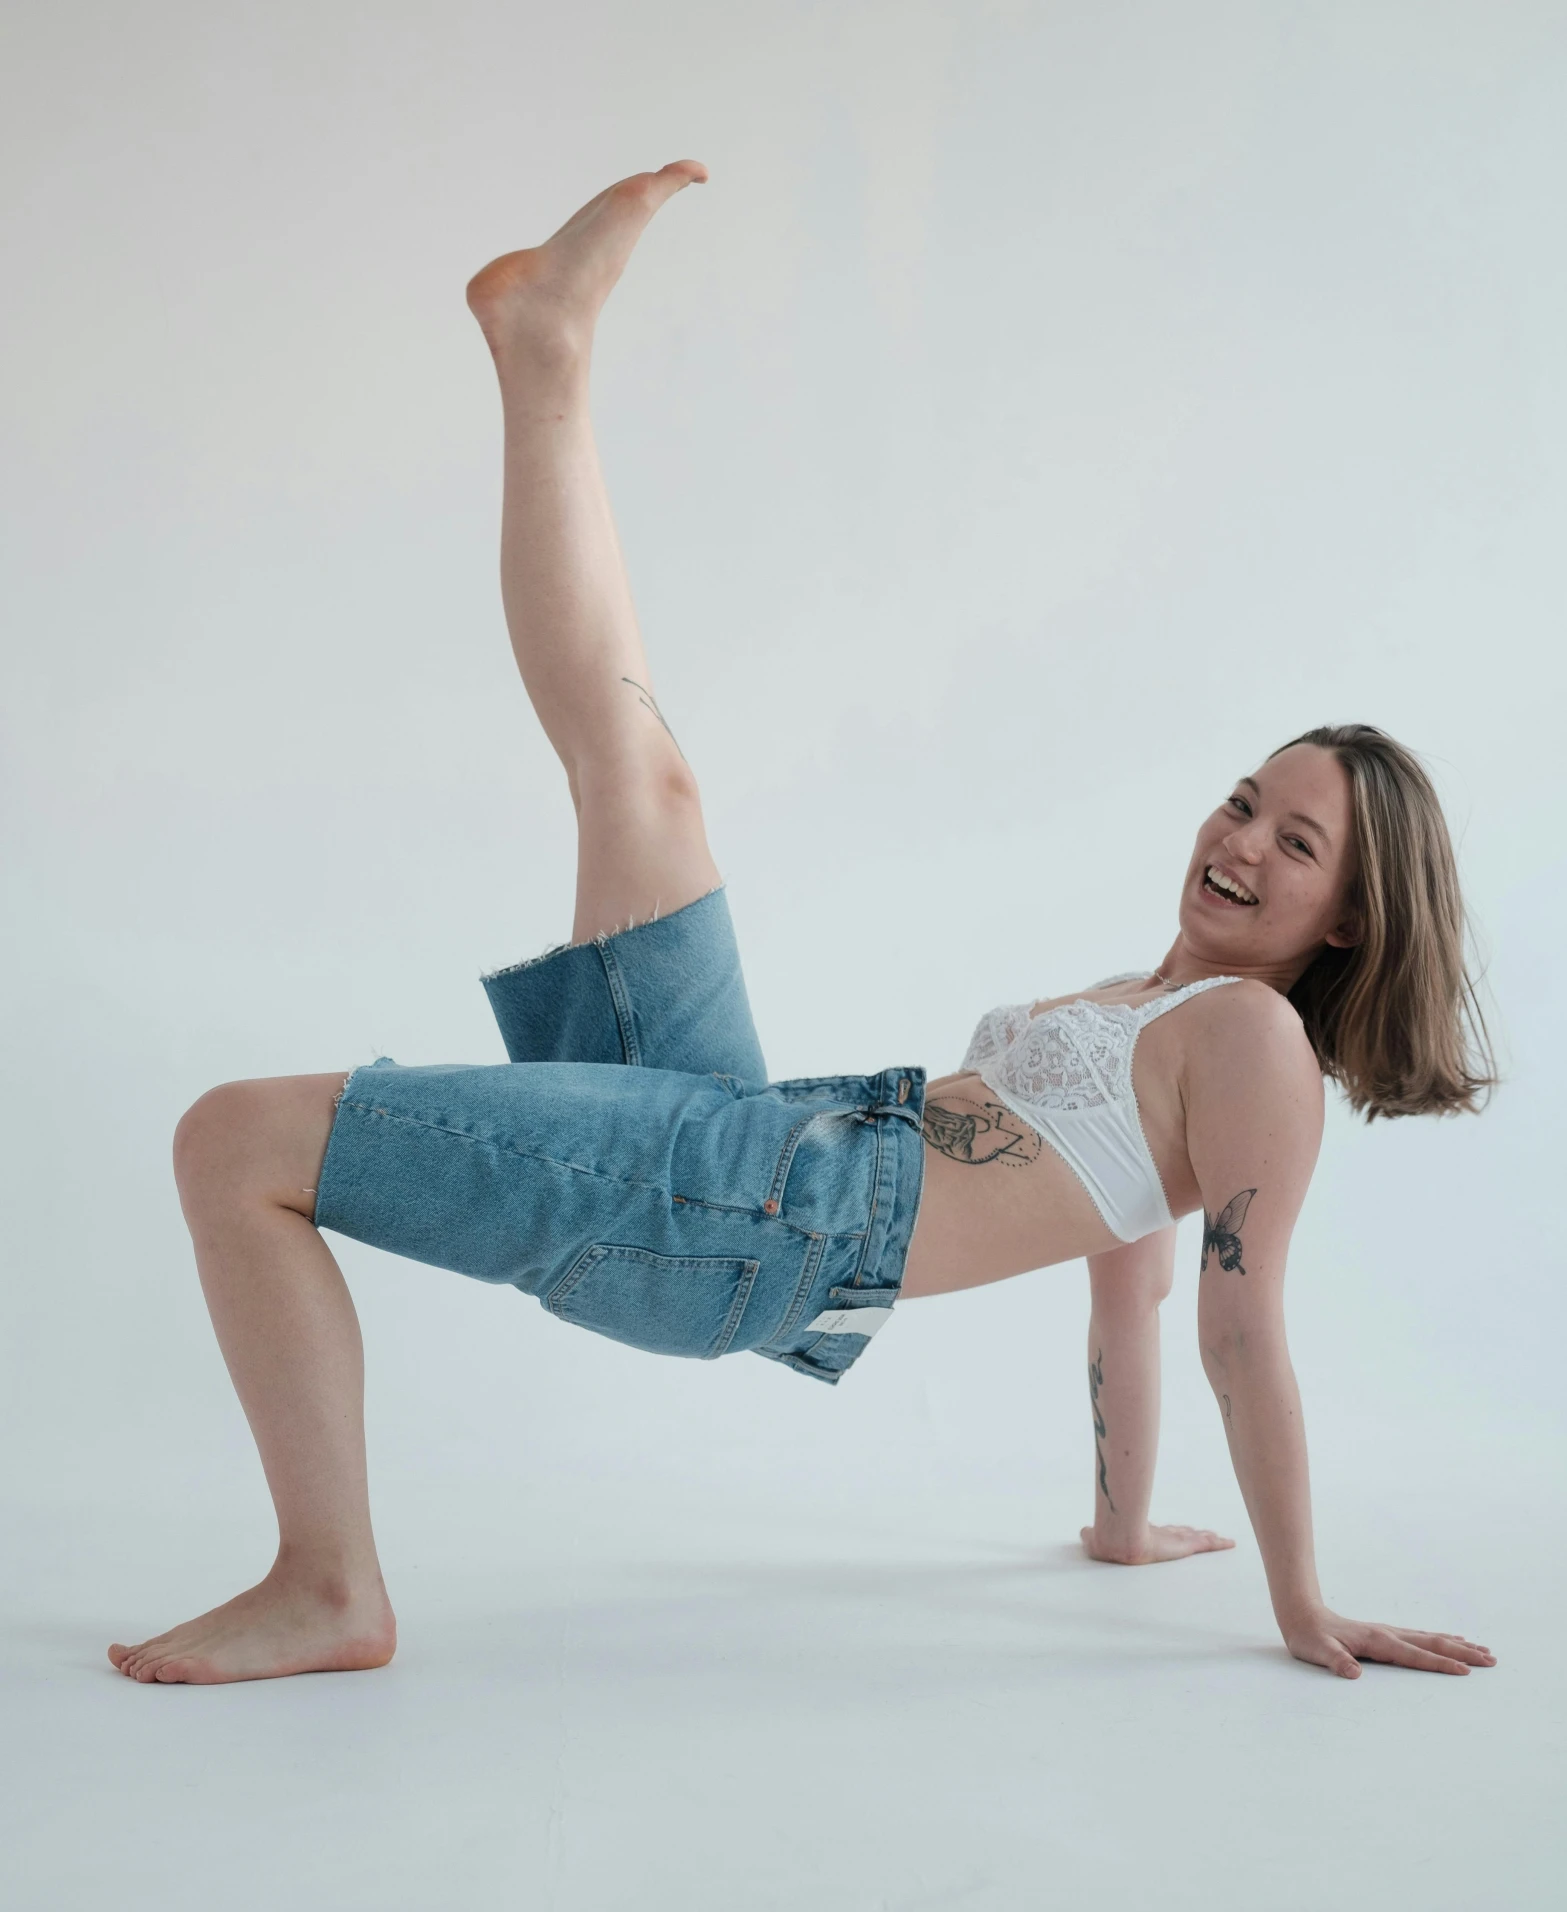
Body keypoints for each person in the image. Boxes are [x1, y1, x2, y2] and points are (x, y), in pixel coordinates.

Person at [109, 163, 1498, 1689]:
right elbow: (1131, 1280)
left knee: (231, 1142)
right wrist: (1118, 1526)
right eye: (1244, 798)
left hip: (753, 1216)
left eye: (1291, 844)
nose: (1236, 840)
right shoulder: (1149, 1008)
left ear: (1354, 921)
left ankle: (329, 1583)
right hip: (766, 1136)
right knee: (642, 776)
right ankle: (543, 352)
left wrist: (1300, 1602)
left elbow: (1237, 1326)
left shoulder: (1252, 1042)